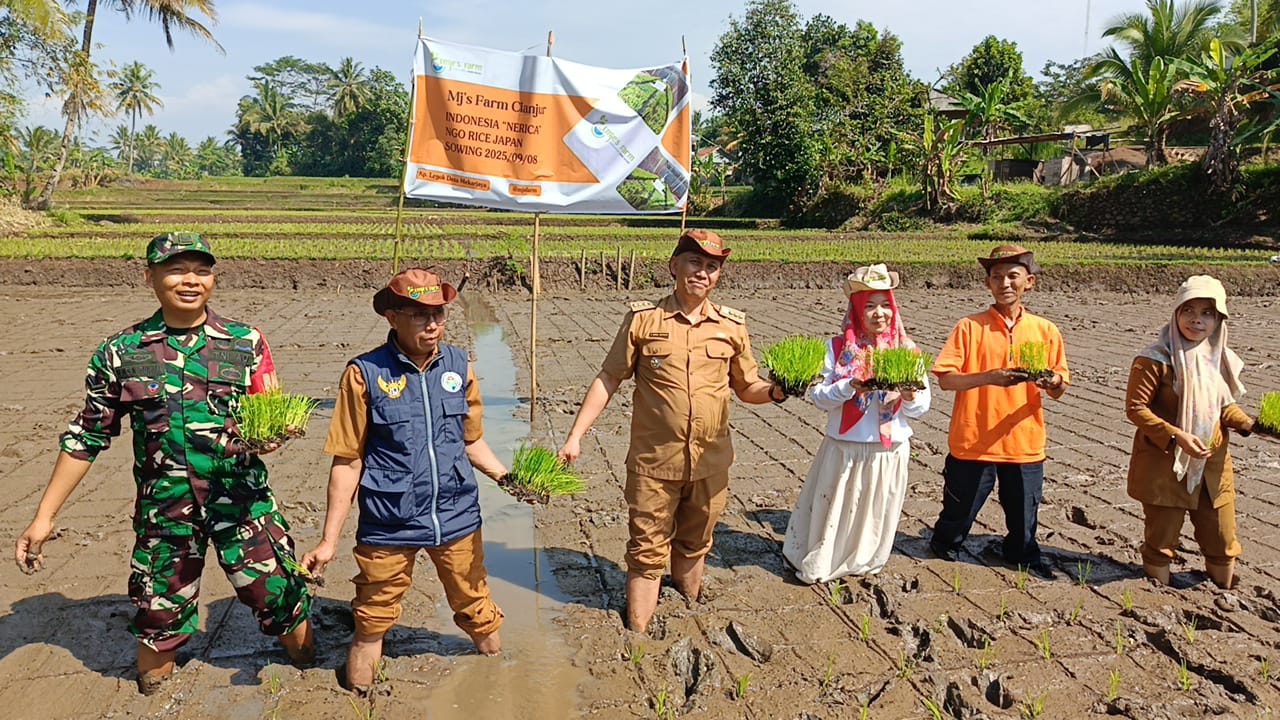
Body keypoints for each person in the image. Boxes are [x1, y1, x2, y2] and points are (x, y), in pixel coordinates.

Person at [13, 232, 314, 695]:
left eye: (202, 271)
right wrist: (44, 516)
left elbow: (268, 412)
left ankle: (308, 664)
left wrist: (272, 437)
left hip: (243, 507)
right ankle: (154, 687)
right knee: (157, 622)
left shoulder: (245, 341)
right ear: (150, 277)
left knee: (280, 600)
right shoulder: (122, 351)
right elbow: (86, 437)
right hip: (166, 515)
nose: (191, 281)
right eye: (176, 270)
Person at [557, 229, 784, 633]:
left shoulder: (731, 326)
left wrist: (779, 391)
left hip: (711, 462)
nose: (702, 272)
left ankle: (688, 604)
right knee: (646, 551)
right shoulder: (644, 320)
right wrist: (576, 435)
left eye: (712, 266)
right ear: (674, 266)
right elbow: (609, 377)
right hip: (654, 463)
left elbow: (748, 387)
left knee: (696, 542)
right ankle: (638, 634)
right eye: (694, 261)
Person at [301, 268, 508, 694]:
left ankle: (500, 679)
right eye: (419, 315)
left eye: (438, 314)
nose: (432, 324)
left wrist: (510, 479)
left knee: (476, 607)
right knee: (372, 618)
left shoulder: (459, 366)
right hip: (389, 521)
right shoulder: (365, 373)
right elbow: (348, 460)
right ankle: (358, 696)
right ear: (392, 318)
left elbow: (471, 441)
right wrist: (328, 540)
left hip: (455, 515)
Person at [928, 245, 1069, 580]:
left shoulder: (1045, 330)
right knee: (956, 518)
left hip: (1023, 443)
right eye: (997, 277)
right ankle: (942, 553)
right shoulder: (969, 327)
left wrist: (1051, 381)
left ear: (1029, 282)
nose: (1005, 283)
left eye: (1013, 276)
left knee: (1024, 523)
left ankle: (1020, 554)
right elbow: (946, 380)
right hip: (974, 440)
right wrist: (990, 377)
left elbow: (1060, 387)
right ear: (988, 283)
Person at [783, 264, 931, 582]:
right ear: (856, 310)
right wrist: (850, 387)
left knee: (875, 512)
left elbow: (921, 408)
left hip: (888, 451)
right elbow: (819, 397)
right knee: (834, 509)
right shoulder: (837, 349)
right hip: (845, 448)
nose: (879, 314)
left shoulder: (907, 351)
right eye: (869, 306)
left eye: (885, 305)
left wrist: (908, 394)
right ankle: (822, 562)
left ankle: (865, 561)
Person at [1124, 275, 1256, 589]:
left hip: (1212, 467)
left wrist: (1249, 424)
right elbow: (1136, 408)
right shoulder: (1154, 359)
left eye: (1207, 313)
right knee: (1161, 541)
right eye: (1189, 310)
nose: (1197, 320)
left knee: (1222, 539)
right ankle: (1158, 597)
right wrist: (1176, 435)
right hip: (1165, 465)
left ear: (1219, 320)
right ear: (1176, 313)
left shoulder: (1218, 358)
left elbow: (1223, 407)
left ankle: (1223, 591)